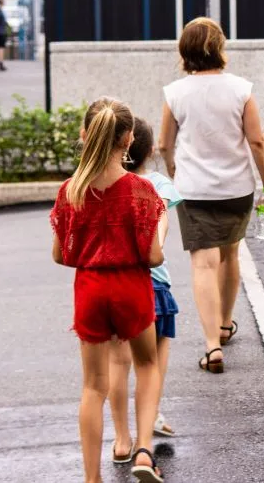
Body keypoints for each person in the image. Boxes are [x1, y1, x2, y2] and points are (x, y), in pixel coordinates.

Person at [50, 97, 167, 483]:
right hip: (131, 286)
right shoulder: (141, 190)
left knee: (92, 387)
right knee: (147, 366)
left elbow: (61, 255)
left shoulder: (71, 190)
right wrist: (161, 224)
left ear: (84, 135)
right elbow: (153, 257)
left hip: (89, 288)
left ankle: (91, 478)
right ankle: (144, 452)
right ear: (129, 138)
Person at [159, 17, 264, 375]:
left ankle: (212, 346)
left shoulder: (175, 92)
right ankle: (225, 322)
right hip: (237, 188)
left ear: (185, 50)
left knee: (203, 263)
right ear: (219, 47)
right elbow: (256, 140)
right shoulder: (241, 89)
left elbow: (164, 143)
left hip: (194, 190)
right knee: (231, 254)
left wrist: (174, 170)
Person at [108, 117, 183, 464]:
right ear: (150, 150)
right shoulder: (158, 185)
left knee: (118, 364)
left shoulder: (107, 181)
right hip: (154, 284)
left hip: (115, 282)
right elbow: (158, 234)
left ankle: (122, 440)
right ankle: (146, 433)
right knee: (151, 366)